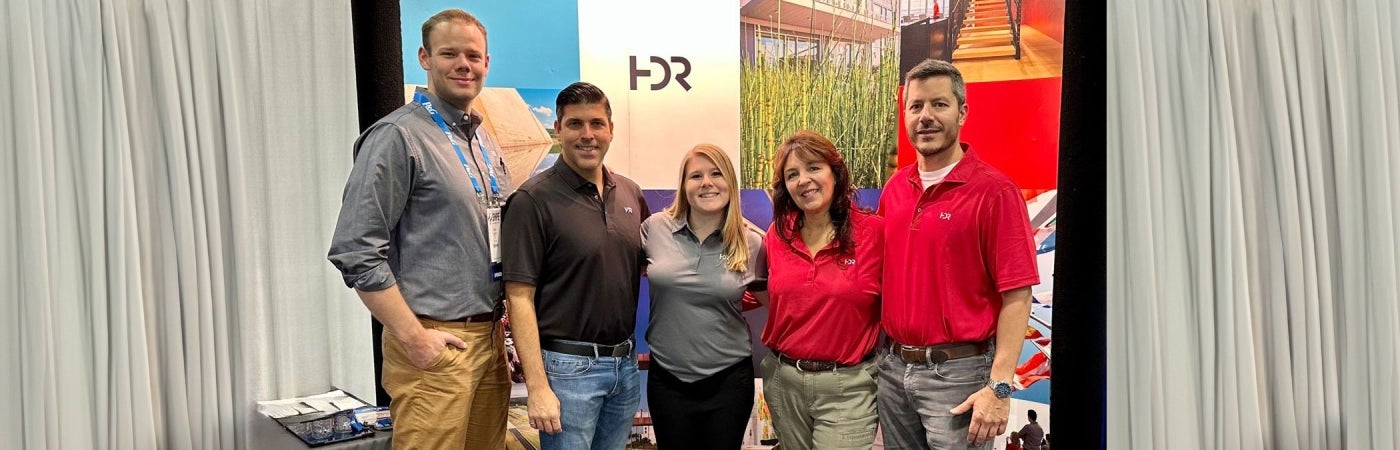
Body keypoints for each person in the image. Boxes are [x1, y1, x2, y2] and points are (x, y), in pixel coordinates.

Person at [326, 9, 513, 450]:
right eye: (450, 53)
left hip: (489, 343)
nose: (463, 65)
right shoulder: (397, 137)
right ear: (425, 58)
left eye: (474, 55)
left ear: (487, 62)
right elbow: (355, 250)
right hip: (435, 344)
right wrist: (414, 337)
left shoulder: (485, 141)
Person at [877, 58, 1040, 449]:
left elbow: (1017, 296)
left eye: (939, 104)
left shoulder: (995, 192)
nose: (926, 117)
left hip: (960, 377)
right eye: (916, 107)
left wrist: (999, 387)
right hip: (894, 372)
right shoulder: (895, 189)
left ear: (962, 112)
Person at [501, 81, 650, 450]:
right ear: (558, 130)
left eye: (597, 124)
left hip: (624, 367)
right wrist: (537, 387)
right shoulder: (532, 201)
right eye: (575, 124)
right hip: (567, 373)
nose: (588, 135)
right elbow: (518, 297)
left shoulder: (630, 192)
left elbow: (657, 261)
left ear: (611, 129)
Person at [758, 130, 884, 450]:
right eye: (792, 174)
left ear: (835, 172)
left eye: (813, 167)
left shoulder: (875, 233)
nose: (804, 180)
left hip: (847, 387)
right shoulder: (778, 234)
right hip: (783, 382)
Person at [641, 144, 767, 450]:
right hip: (667, 379)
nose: (706, 182)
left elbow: (774, 306)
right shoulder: (654, 229)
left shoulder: (752, 243)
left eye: (716, 173)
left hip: (728, 381)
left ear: (730, 184)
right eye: (695, 175)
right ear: (684, 186)